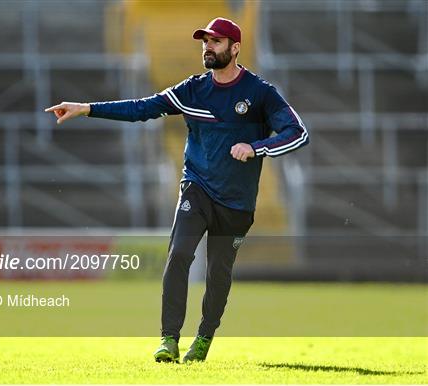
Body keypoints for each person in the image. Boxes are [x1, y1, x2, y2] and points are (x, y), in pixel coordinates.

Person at [45, 17, 309, 363]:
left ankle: (204, 337)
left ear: (235, 48)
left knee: (219, 275)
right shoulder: (192, 90)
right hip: (196, 188)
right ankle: (168, 338)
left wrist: (256, 147)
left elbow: (297, 133)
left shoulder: (260, 94)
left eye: (215, 42)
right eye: (205, 42)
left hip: (236, 202)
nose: (208, 47)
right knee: (178, 256)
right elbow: (141, 108)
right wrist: (87, 109)